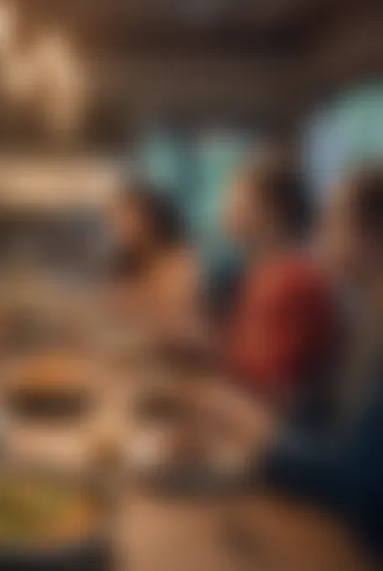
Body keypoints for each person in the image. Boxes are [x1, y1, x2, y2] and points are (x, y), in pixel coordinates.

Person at [212, 165, 383, 556]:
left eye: (332, 220)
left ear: (372, 237)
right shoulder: (369, 316)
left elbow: (361, 480)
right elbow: (324, 412)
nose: (319, 233)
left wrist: (265, 437)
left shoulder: (296, 280)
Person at [221, 153, 340, 425]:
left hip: (271, 433)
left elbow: (273, 391)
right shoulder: (264, 272)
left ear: (270, 210)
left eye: (237, 198)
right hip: (250, 420)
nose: (225, 208)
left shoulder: (293, 281)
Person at [107, 182, 198, 339]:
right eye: (116, 218)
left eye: (126, 218)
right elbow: (113, 309)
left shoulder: (177, 263)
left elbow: (170, 326)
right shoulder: (127, 258)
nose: (117, 227)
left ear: (150, 221)